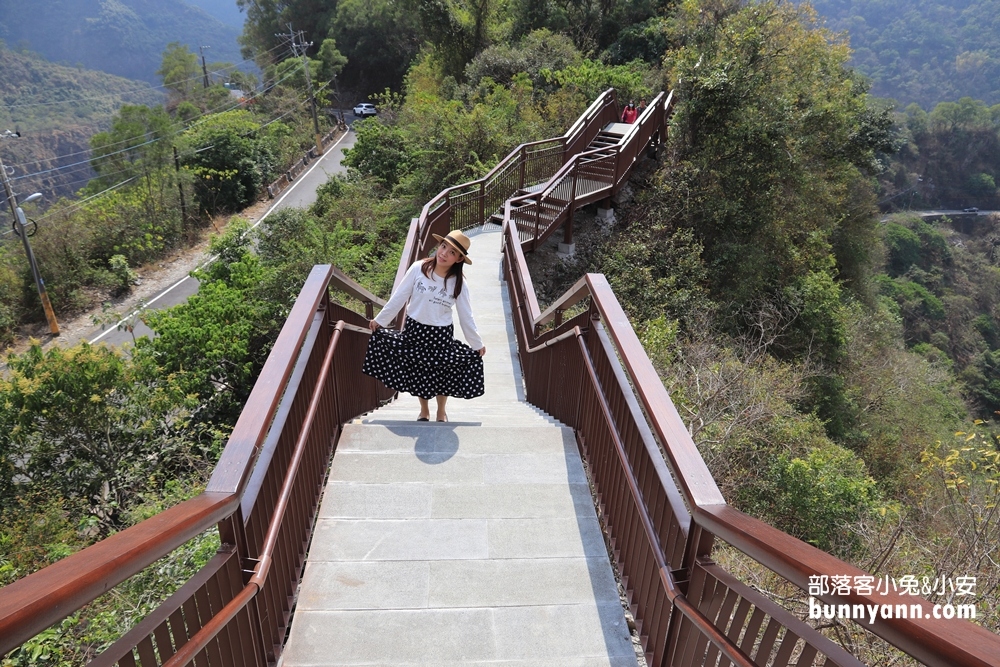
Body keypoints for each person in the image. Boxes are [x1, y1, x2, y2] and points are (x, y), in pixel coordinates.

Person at [363, 229, 486, 422]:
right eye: (443, 246)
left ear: (459, 259)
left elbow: (466, 317)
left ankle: (441, 411)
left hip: (440, 336)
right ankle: (424, 410)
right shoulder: (419, 268)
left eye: (452, 252)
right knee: (419, 372)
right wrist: (380, 320)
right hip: (414, 331)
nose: (444, 253)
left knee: (442, 372)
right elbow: (399, 297)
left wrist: (476, 344)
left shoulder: (459, 284)